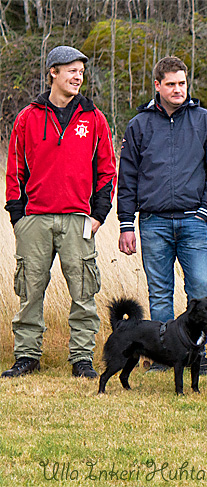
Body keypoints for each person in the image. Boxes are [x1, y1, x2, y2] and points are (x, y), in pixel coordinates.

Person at [4, 46, 116, 378]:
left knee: (83, 292)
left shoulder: (94, 117)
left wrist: (98, 215)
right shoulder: (28, 116)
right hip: (34, 220)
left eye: (81, 71)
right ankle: (27, 356)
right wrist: (18, 217)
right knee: (30, 291)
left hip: (79, 220)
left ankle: (82, 358)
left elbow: (107, 171)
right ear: (53, 72)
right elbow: (15, 170)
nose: (78, 76)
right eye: (71, 70)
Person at [117, 56, 207, 373]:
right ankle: (164, 357)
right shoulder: (139, 125)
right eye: (171, 84)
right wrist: (127, 224)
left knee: (199, 290)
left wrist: (204, 211)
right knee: (160, 293)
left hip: (193, 221)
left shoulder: (205, 120)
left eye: (182, 83)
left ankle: (198, 356)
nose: (178, 89)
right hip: (153, 222)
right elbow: (127, 179)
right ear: (157, 85)